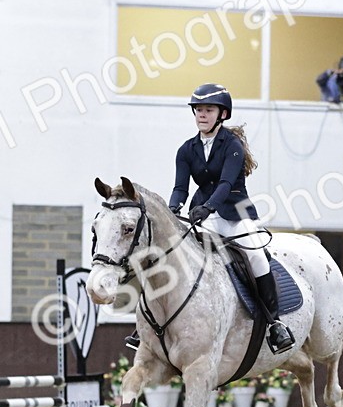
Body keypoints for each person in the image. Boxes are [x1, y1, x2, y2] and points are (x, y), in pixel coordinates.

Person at [126, 83, 295, 355]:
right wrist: (173, 210)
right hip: (205, 214)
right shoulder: (186, 149)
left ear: (222, 114)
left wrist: (207, 207)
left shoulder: (233, 145)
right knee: (175, 255)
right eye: (199, 110)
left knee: (256, 257)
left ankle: (274, 323)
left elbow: (227, 183)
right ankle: (149, 321)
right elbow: (180, 187)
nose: (202, 115)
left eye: (208, 110)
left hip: (236, 213)